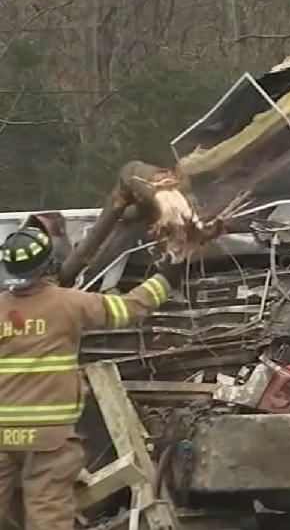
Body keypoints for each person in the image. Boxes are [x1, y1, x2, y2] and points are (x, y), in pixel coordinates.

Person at [0, 225, 184, 530]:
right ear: (50, 263)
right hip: (50, 440)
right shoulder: (69, 303)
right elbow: (130, 309)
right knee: (48, 517)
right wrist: (167, 276)